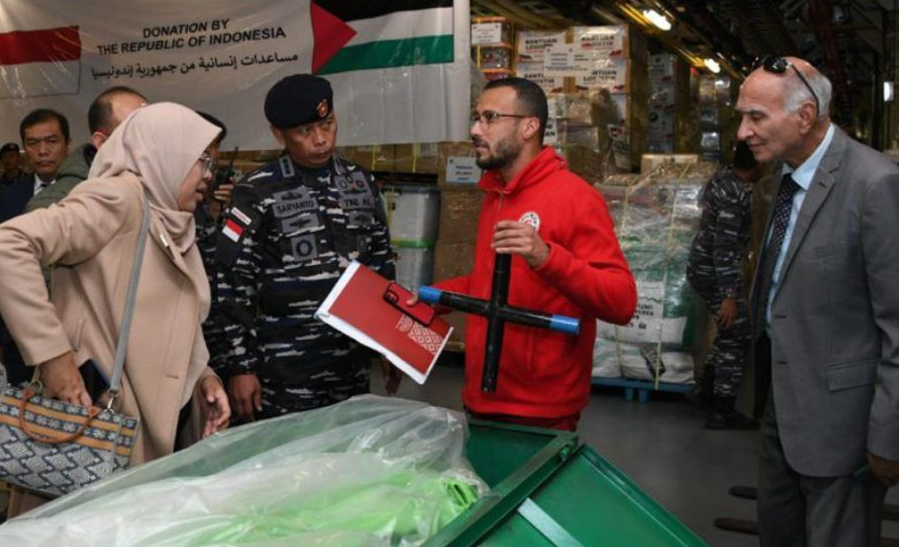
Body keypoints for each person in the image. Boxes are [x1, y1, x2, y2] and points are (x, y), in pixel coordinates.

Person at [0, 103, 231, 514]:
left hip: (152, 417)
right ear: (164, 151)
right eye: (202, 160)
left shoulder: (171, 215)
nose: (207, 174)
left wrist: (204, 376)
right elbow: (4, 245)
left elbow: (171, 314)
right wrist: (53, 355)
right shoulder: (118, 196)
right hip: (103, 422)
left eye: (212, 164)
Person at [736, 56, 899, 546]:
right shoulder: (783, 179)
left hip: (842, 427)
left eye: (756, 117)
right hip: (780, 408)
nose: (743, 131)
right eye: (741, 115)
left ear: (805, 116)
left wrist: (888, 438)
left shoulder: (875, 184)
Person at [414, 77, 636, 431]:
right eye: (475, 117)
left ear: (529, 127)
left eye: (489, 117)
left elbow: (621, 301)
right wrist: (431, 300)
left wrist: (547, 257)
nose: (475, 129)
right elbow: (494, 284)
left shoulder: (576, 198)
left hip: (540, 413)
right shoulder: (495, 195)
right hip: (481, 397)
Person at [216, 74, 396, 421]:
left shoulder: (360, 181)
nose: (321, 140)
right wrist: (241, 367)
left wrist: (390, 346)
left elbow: (381, 267)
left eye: (327, 124)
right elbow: (232, 283)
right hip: (284, 370)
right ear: (278, 134)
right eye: (305, 131)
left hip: (350, 368)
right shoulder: (257, 191)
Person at [0, 109, 72, 385]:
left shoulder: (87, 194)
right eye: (33, 143)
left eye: (51, 141)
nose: (43, 151)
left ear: (67, 144)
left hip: (72, 332)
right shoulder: (12, 196)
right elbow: (0, 267)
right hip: (21, 335)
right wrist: (0, 333)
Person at [685, 140, 761, 430]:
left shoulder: (722, 177)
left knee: (728, 329)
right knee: (736, 335)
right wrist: (729, 295)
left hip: (702, 267)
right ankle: (722, 410)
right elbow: (724, 249)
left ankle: (706, 390)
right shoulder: (735, 194)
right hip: (713, 270)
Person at [26, 86, 146, 212]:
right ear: (101, 142)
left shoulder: (156, 184)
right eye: (136, 132)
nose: (43, 151)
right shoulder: (56, 205)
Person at [192, 112, 235, 378]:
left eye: (216, 145)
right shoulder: (173, 196)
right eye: (206, 145)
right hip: (191, 331)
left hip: (224, 333)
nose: (213, 153)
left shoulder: (223, 189)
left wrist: (229, 210)